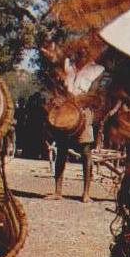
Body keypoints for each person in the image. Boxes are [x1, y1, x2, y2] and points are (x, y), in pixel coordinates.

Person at [45, 53, 105, 203]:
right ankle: (57, 192)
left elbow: (92, 94)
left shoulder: (97, 70)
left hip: (84, 112)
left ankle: (86, 193)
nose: (81, 52)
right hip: (66, 112)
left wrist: (76, 101)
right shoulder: (67, 66)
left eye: (85, 49)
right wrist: (60, 98)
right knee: (61, 150)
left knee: (85, 151)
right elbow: (58, 85)